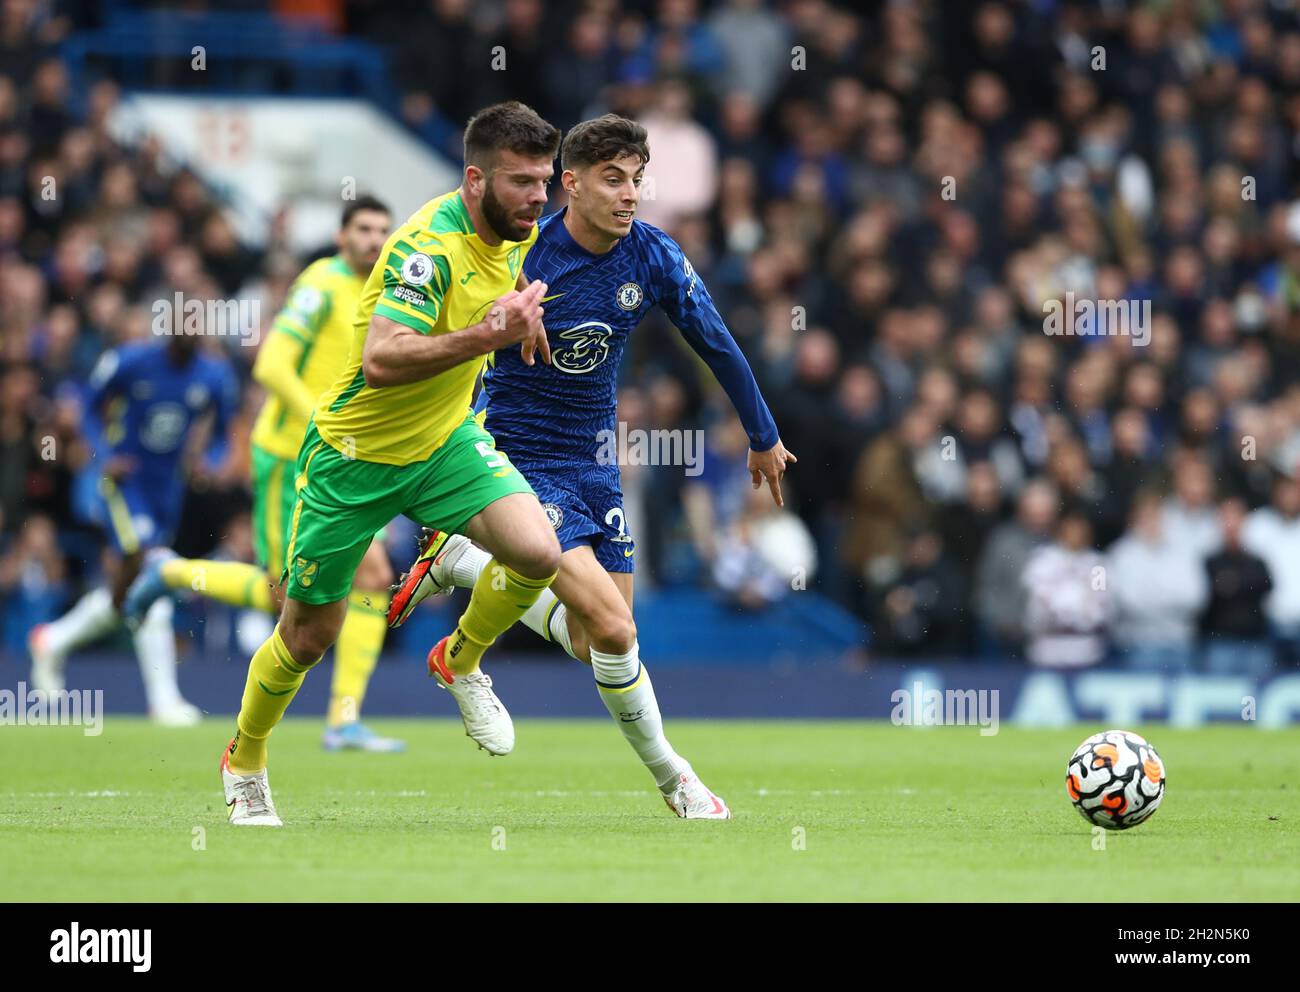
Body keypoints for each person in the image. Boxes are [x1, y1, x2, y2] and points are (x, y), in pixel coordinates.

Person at [387, 115, 795, 819]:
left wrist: (762, 435)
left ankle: (461, 574)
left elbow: (718, 341)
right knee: (616, 629)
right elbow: (450, 338)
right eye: (613, 178)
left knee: (592, 638)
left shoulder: (654, 257)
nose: (630, 193)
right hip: (514, 456)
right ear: (569, 185)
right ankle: (678, 781)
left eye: (637, 178)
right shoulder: (524, 256)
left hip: (593, 461)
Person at [219, 102, 564, 826]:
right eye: (523, 182)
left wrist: (517, 321)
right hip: (355, 458)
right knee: (308, 634)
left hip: (442, 445)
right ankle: (245, 756)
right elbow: (380, 361)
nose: (539, 196)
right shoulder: (426, 250)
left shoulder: (513, 235)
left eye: (545, 180)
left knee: (537, 553)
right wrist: (487, 335)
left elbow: (493, 311)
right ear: (475, 180)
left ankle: (459, 658)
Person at [123, 196, 405, 753]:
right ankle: (172, 572)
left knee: (372, 578)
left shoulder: (385, 291)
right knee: (286, 599)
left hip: (339, 459)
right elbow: (271, 364)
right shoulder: (320, 286)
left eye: (382, 231)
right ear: (341, 234)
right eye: (363, 229)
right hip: (287, 455)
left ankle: (343, 720)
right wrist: (321, 421)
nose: (374, 240)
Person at [28, 328, 237, 725]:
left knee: (127, 596)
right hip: (126, 483)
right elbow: (87, 407)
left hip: (167, 489)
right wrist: (104, 454)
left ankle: (53, 640)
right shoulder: (130, 361)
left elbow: (223, 430)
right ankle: (163, 700)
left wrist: (209, 459)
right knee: (150, 568)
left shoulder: (213, 375)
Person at [1201, 497, 1273, 677]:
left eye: (1236, 518)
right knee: (1220, 697)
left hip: (1254, 642)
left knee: (1255, 700)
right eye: (1226, 518)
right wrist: (1244, 584)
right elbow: (1210, 592)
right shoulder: (1210, 560)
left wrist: (1235, 583)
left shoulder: (1257, 560)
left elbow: (1267, 585)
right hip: (1220, 642)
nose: (1231, 524)